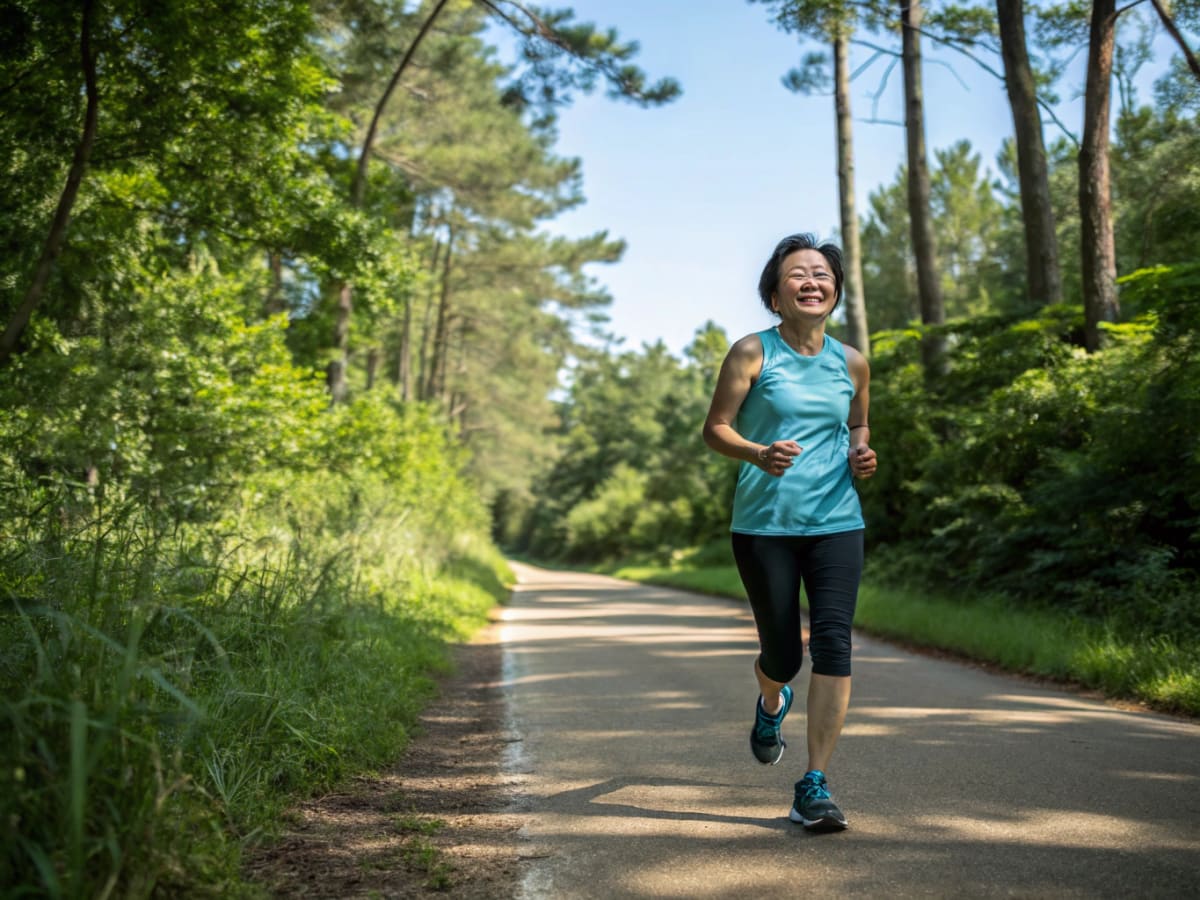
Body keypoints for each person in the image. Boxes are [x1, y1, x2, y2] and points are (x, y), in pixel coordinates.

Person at [702, 233, 877, 832]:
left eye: (822, 274)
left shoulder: (851, 361)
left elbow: (858, 420)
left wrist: (860, 453)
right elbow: (715, 429)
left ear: (835, 291)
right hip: (764, 527)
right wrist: (757, 452)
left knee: (833, 642)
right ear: (775, 295)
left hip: (837, 523)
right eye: (797, 274)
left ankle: (814, 784)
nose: (811, 281)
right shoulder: (753, 353)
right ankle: (771, 701)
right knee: (783, 653)